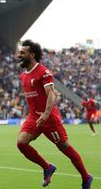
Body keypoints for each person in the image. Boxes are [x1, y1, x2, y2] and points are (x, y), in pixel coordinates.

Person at [15, 39, 92, 189]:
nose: (19, 55)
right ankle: (47, 167)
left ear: (32, 55)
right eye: (19, 52)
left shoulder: (43, 72)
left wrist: (45, 113)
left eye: (22, 53)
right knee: (21, 143)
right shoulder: (23, 75)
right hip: (33, 116)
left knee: (64, 147)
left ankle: (86, 177)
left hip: (49, 118)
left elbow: (51, 94)